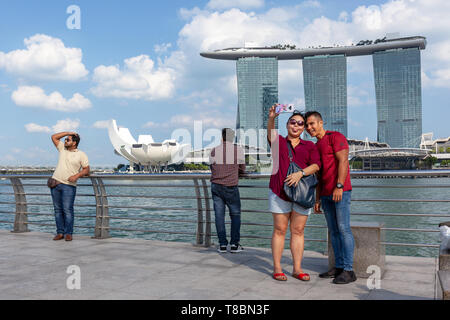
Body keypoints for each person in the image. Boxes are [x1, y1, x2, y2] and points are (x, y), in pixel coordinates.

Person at [267, 106, 321, 281]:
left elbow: (316, 165)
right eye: (293, 122)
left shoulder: (309, 146)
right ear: (287, 124)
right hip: (279, 191)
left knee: (298, 231)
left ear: (304, 127)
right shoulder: (280, 142)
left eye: (300, 124)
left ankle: (297, 269)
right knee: (279, 230)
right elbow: (270, 134)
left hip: (302, 193)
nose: (296, 126)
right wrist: (272, 118)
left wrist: (300, 173)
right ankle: (277, 268)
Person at [305, 111, 356, 284]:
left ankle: (349, 270)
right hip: (325, 194)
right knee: (333, 232)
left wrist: (339, 186)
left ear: (321, 122)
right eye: (307, 125)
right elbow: (318, 175)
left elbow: (343, 161)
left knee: (343, 229)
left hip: (340, 191)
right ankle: (339, 266)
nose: (309, 127)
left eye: (312, 124)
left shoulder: (335, 137)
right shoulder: (316, 145)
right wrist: (317, 199)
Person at [209, 128, 246, 253]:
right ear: (232, 138)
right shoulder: (238, 150)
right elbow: (242, 169)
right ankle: (234, 245)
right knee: (235, 215)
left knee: (219, 216)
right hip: (231, 186)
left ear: (222, 137)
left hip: (216, 186)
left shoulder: (214, 150)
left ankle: (223, 245)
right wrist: (236, 172)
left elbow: (212, 167)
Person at [50, 132, 90, 241]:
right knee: (58, 210)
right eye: (65, 139)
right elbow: (53, 137)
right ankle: (60, 233)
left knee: (67, 210)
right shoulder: (62, 149)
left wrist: (77, 176)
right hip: (55, 184)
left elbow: (87, 169)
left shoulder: (81, 154)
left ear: (74, 143)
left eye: (68, 140)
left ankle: (68, 233)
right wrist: (69, 133)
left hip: (69, 186)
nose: (65, 141)